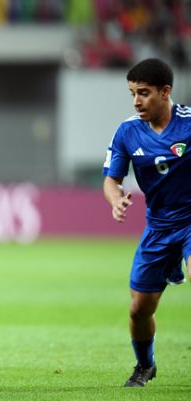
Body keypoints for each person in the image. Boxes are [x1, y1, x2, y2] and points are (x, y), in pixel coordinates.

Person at [103, 58, 191, 387]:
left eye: (143, 93)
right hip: (158, 228)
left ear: (165, 92)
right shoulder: (127, 132)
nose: (136, 101)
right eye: (132, 94)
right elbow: (111, 180)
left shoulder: (189, 123)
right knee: (139, 310)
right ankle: (145, 365)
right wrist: (115, 199)